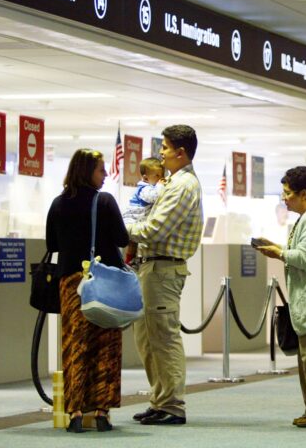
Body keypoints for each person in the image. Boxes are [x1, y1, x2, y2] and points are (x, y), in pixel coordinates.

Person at [46, 149, 129, 433]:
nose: (105, 175)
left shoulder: (57, 204)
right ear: (86, 172)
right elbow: (122, 238)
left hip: (70, 283)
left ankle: (76, 412)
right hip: (103, 282)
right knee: (106, 345)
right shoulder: (104, 201)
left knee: (75, 346)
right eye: (100, 170)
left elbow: (52, 243)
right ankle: (102, 412)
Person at [127, 125, 204, 425]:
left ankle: (172, 405)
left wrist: (122, 228)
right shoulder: (172, 182)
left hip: (163, 268)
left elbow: (154, 229)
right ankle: (160, 399)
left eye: (165, 148)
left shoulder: (184, 185)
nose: (160, 153)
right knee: (148, 338)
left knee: (164, 337)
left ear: (180, 152)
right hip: (152, 266)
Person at [255, 166, 306, 428]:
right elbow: (305, 252)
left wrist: (279, 254)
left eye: (288, 193)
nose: (284, 198)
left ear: (304, 193)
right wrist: (280, 248)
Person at [122, 157, 165, 264]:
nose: (161, 178)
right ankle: (128, 261)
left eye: (162, 175)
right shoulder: (145, 188)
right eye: (157, 176)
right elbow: (153, 197)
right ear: (145, 178)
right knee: (132, 243)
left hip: (139, 220)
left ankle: (131, 261)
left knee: (135, 244)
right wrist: (160, 186)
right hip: (132, 220)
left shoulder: (151, 186)